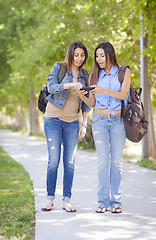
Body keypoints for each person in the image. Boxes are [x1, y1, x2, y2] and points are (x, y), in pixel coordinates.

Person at [78, 41, 131, 213]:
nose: (99, 59)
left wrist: (103, 90)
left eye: (102, 55)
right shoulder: (93, 75)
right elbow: (92, 103)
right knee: (102, 163)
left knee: (116, 163)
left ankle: (116, 202)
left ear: (110, 54)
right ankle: (102, 202)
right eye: (97, 56)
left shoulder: (123, 72)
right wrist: (83, 97)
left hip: (117, 122)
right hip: (100, 122)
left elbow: (123, 95)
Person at [41, 41, 90, 212]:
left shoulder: (85, 75)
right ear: (70, 54)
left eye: (82, 55)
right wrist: (69, 84)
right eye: (76, 54)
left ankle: (66, 200)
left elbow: (86, 104)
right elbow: (51, 87)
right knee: (53, 160)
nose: (79, 58)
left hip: (72, 123)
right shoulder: (59, 68)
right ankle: (49, 199)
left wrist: (84, 124)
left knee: (69, 162)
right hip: (53, 119)